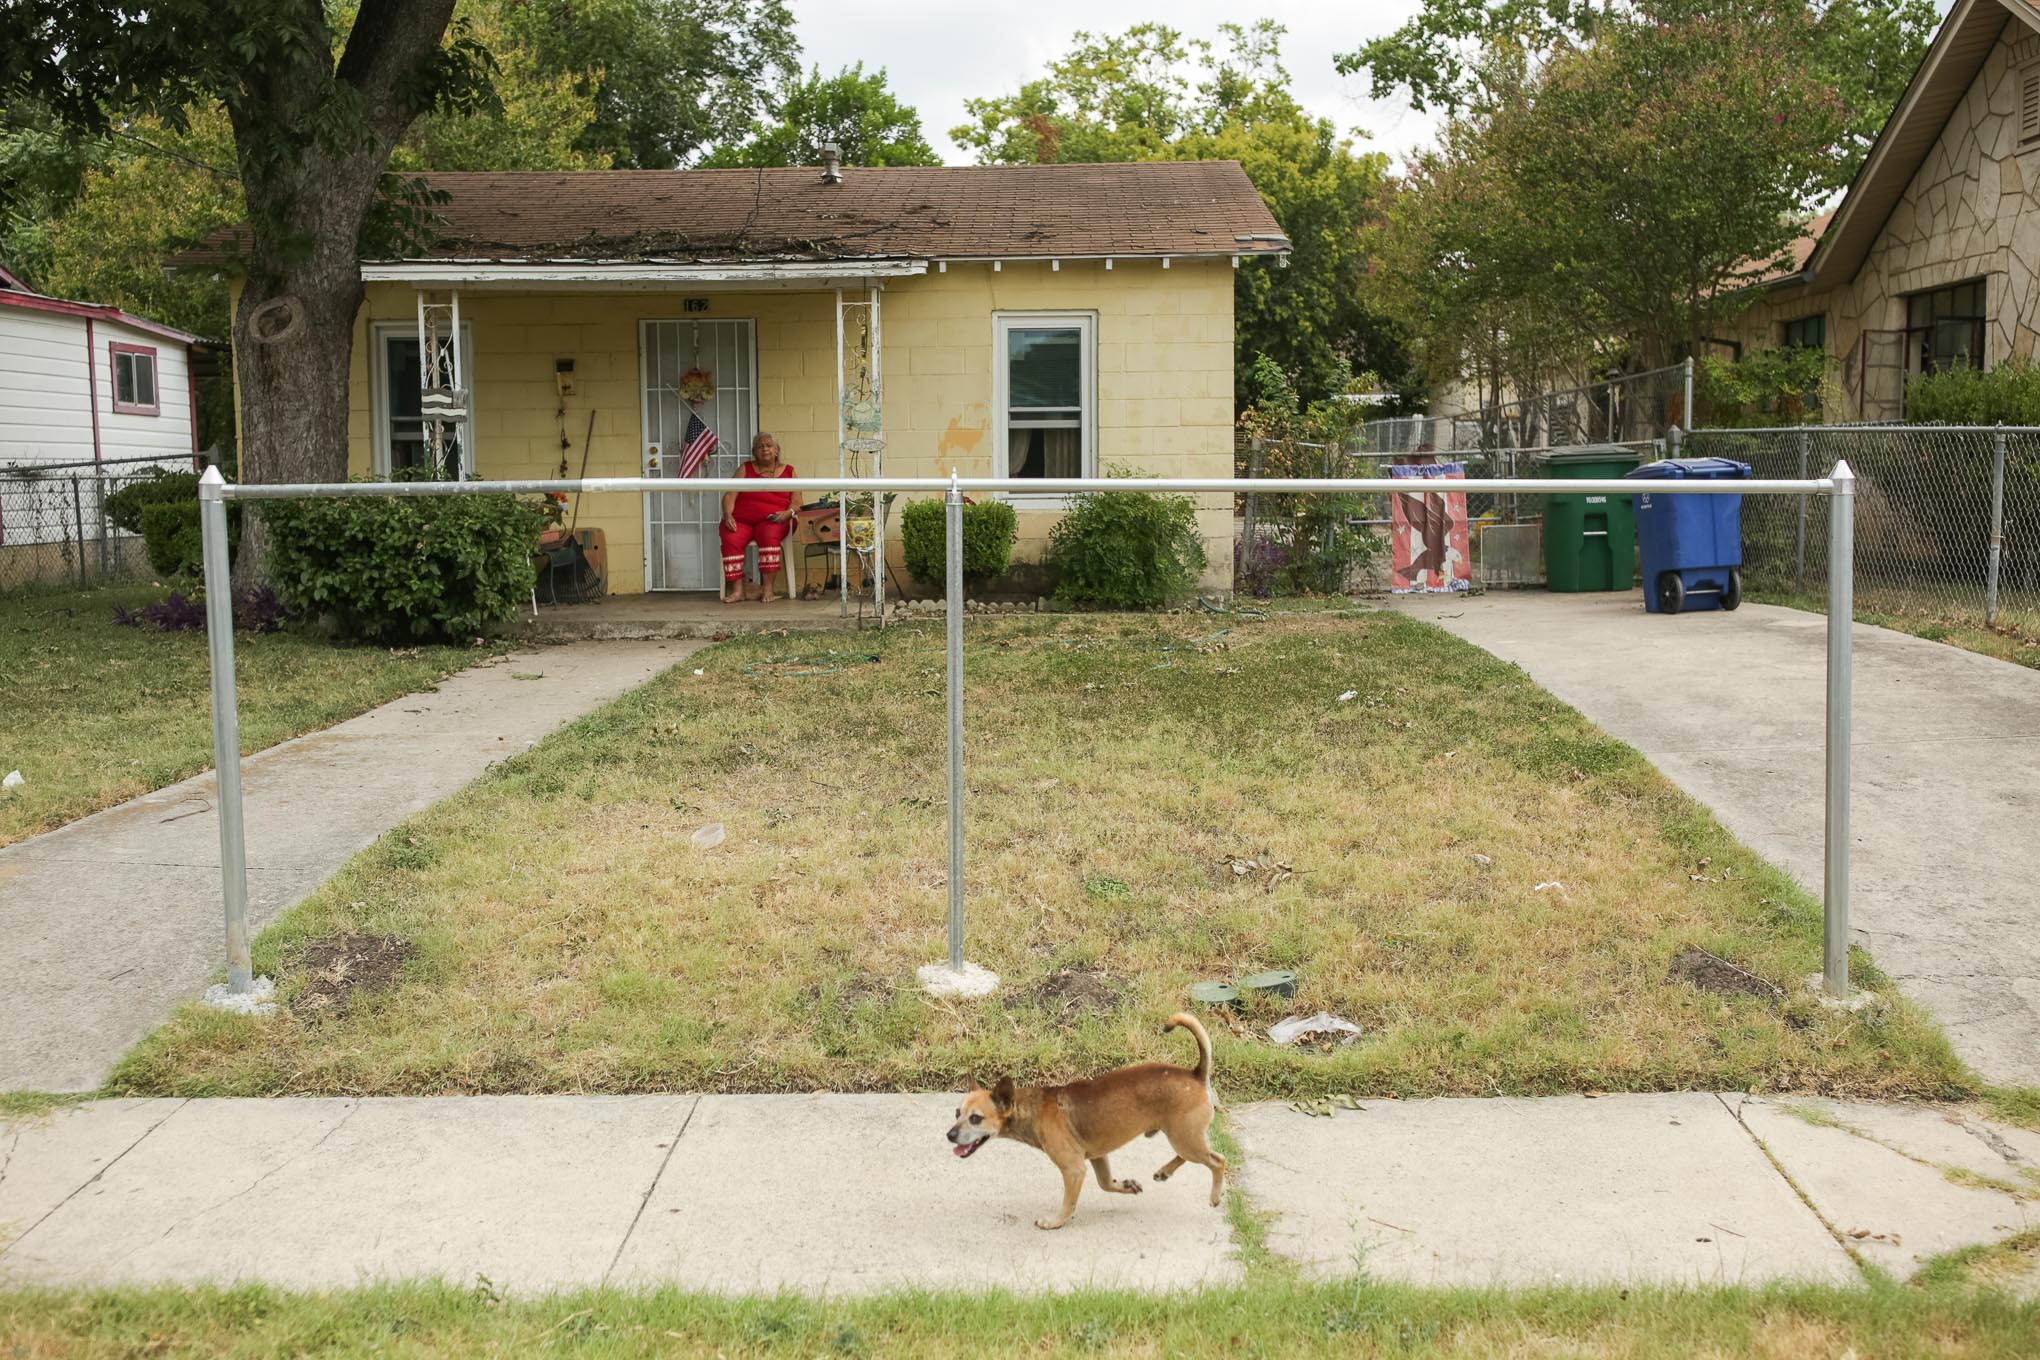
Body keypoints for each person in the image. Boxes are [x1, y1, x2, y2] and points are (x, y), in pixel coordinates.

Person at [719, 432, 797, 603]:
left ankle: (768, 590)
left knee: (769, 536)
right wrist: (728, 514)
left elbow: (797, 502)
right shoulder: (745, 468)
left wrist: (787, 513)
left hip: (774, 520)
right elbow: (730, 494)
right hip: (742, 519)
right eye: (760, 446)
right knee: (730, 537)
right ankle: (738, 591)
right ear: (754, 451)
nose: (765, 449)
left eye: (769, 445)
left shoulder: (789, 471)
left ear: (776, 450)